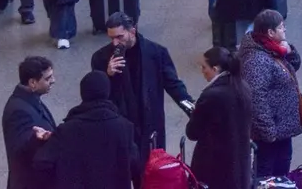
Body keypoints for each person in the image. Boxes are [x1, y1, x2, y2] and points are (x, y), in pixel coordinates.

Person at [91, 13, 193, 159]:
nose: (115, 43)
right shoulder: (100, 57)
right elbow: (96, 93)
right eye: (111, 38)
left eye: (119, 37)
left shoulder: (156, 53)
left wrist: (190, 106)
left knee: (150, 172)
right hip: (120, 123)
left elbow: (173, 84)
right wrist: (107, 76)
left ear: (132, 31)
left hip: (149, 122)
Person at [32, 71, 141, 189]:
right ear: (107, 92)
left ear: (83, 94)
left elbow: (41, 162)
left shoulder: (67, 130)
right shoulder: (124, 127)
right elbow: (135, 165)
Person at [237, 9, 302, 179]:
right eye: (282, 27)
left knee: (281, 171)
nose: (285, 30)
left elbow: (291, 67)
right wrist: (269, 133)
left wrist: (290, 52)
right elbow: (256, 98)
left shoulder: (271, 49)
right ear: (270, 32)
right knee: (266, 175)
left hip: (281, 129)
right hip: (271, 133)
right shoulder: (257, 60)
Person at [187, 46, 255, 189]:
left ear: (215, 68)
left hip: (214, 168)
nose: (202, 72)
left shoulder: (211, 96)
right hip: (240, 165)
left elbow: (192, 132)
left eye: (204, 67)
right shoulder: (243, 88)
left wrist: (195, 112)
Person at [3, 56, 57, 189]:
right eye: (47, 78)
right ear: (33, 82)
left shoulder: (31, 101)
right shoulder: (19, 112)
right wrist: (36, 139)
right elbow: (20, 152)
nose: (53, 81)